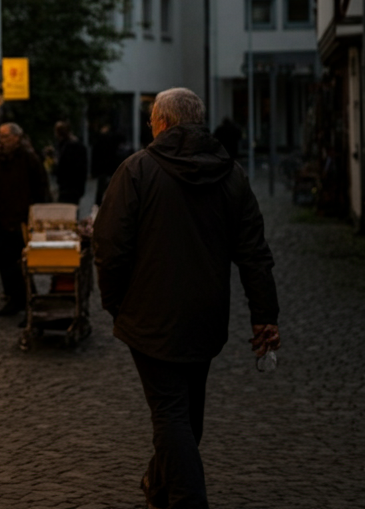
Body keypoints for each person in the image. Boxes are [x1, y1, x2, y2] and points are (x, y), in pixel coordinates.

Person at [93, 88, 279, 509]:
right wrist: (264, 314)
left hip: (149, 316)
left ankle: (186, 499)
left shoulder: (137, 170)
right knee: (185, 416)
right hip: (204, 315)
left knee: (174, 416)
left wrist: (115, 303)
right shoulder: (230, 174)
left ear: (161, 123)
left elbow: (109, 245)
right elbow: (253, 251)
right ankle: (157, 486)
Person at [0, 122, 50, 318]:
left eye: (5, 137)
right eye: (0, 137)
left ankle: (28, 299)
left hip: (22, 218)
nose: (1, 141)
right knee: (5, 260)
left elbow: (40, 187)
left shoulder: (29, 159)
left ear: (16, 138)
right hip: (1, 217)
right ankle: (14, 297)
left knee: (22, 261)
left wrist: (35, 214)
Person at [53, 121, 89, 205]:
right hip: (76, 186)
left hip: (67, 186)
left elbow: (62, 167)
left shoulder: (66, 147)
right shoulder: (78, 146)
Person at [91, 122, 123, 205]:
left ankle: (99, 204)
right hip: (110, 167)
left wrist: (94, 171)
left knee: (101, 187)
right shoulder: (112, 138)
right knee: (111, 186)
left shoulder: (98, 139)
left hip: (102, 168)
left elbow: (95, 156)